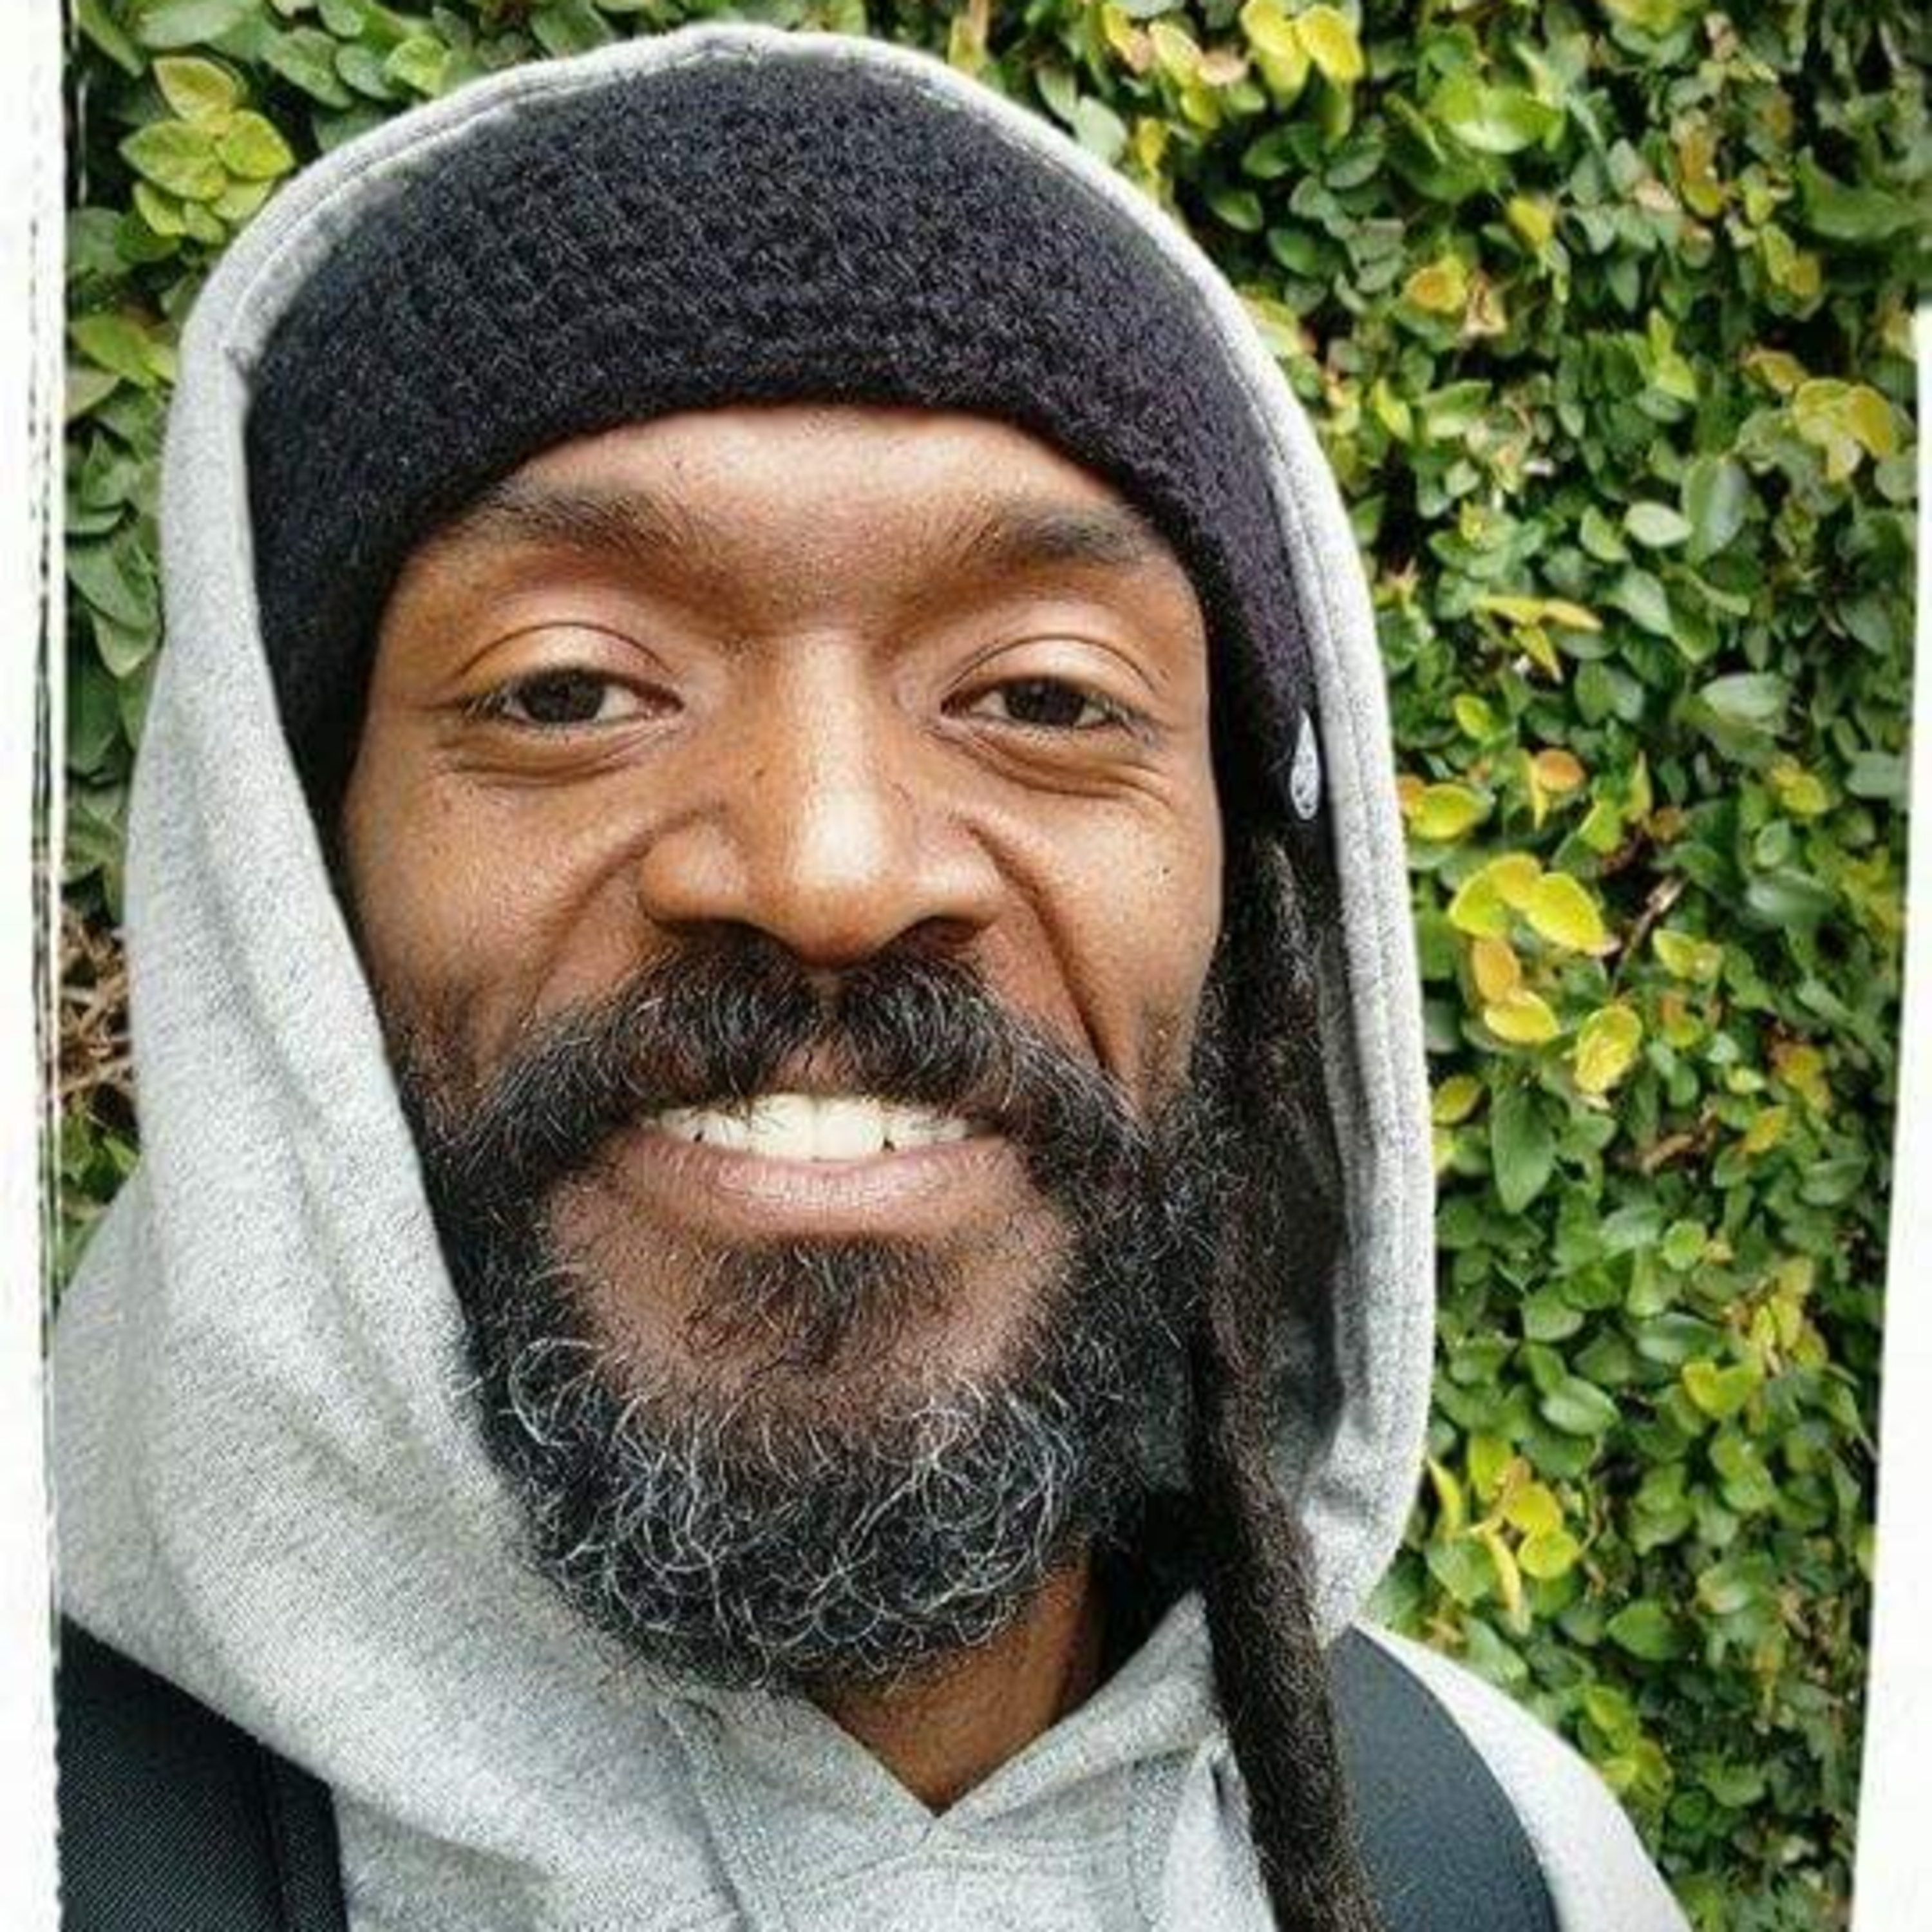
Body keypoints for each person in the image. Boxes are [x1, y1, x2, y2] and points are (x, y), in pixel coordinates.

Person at [49, 24, 1689, 1932]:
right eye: (567, 691)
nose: (829, 869)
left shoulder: (1515, 1864)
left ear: (1259, 916)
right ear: (290, 878)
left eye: (1046, 698)